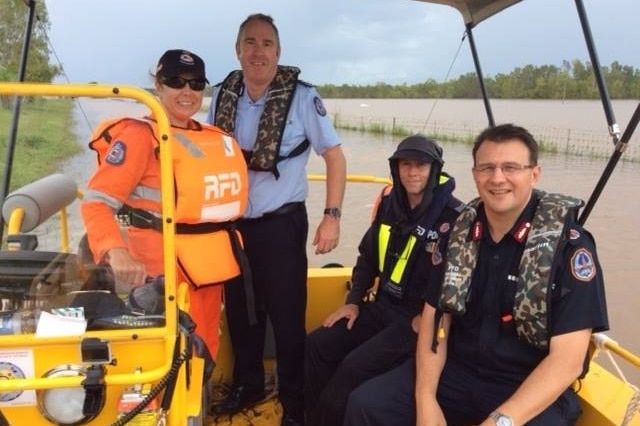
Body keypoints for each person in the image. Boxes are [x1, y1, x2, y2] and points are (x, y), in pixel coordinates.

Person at [343, 123, 609, 426]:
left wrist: (501, 421)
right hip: (459, 371)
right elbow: (434, 320)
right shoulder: (457, 235)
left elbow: (567, 361)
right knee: (366, 404)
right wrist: (426, 399)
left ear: (534, 174)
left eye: (511, 167)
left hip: (526, 381)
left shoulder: (569, 247)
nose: (497, 178)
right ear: (474, 174)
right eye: (487, 168)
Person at [206, 13, 346, 426]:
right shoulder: (221, 95)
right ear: (237, 50)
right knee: (241, 313)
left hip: (282, 225)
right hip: (232, 227)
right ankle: (247, 385)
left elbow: (334, 157)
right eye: (250, 43)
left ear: (278, 52)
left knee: (287, 317)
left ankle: (294, 402)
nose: (258, 51)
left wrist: (332, 217)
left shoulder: (303, 98)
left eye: (266, 44)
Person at [81, 49, 248, 359]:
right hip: (158, 276)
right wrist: (116, 251)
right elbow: (96, 203)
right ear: (158, 86)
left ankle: (199, 405)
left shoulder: (215, 138)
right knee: (163, 360)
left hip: (208, 269)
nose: (187, 91)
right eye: (176, 81)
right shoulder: (139, 136)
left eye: (196, 84)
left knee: (204, 350)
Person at [304, 135, 463, 426]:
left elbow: (459, 283)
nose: (412, 172)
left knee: (353, 367)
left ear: (435, 169)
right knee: (317, 344)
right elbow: (367, 257)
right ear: (396, 168)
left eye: (421, 165)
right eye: (406, 165)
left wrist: (430, 319)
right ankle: (310, 417)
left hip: (417, 320)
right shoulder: (391, 205)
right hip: (381, 306)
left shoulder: (456, 218)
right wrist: (352, 302)